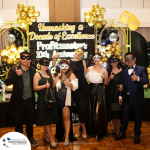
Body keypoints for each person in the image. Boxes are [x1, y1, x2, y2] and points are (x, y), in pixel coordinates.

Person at [52, 47, 90, 138]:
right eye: (77, 52)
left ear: (82, 54)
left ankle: (81, 127)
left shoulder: (83, 62)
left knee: (83, 108)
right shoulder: (68, 62)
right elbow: (54, 66)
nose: (78, 54)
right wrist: (54, 58)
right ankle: (75, 128)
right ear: (74, 51)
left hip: (83, 88)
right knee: (74, 109)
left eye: (81, 53)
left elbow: (85, 74)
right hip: (71, 87)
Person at [5, 51, 38, 146]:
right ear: (20, 59)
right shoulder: (14, 69)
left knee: (30, 121)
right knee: (18, 122)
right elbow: (7, 82)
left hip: (30, 100)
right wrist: (16, 74)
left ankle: (30, 137)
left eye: (28, 57)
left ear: (30, 60)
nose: (25, 59)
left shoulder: (33, 71)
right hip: (18, 101)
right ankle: (19, 140)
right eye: (23, 57)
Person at [115, 52, 149, 144]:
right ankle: (123, 133)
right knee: (124, 117)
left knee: (138, 118)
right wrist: (120, 96)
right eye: (127, 59)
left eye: (131, 58)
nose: (129, 61)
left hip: (137, 99)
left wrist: (138, 78)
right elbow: (121, 84)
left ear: (135, 59)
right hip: (126, 99)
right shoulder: (124, 72)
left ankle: (137, 135)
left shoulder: (142, 69)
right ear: (125, 61)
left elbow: (146, 80)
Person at [33, 57, 59, 148]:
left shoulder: (49, 73)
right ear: (40, 64)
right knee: (47, 119)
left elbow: (52, 86)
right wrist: (44, 86)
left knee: (48, 118)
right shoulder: (37, 74)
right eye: (44, 64)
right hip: (42, 99)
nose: (45, 65)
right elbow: (35, 88)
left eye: (47, 64)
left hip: (50, 98)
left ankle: (45, 135)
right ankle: (51, 138)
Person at [53, 59, 78, 146]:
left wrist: (69, 84)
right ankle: (63, 134)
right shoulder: (57, 75)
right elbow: (52, 86)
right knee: (61, 119)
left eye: (66, 66)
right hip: (57, 100)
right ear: (59, 66)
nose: (64, 68)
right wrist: (57, 77)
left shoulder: (71, 75)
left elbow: (75, 87)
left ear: (68, 67)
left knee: (66, 118)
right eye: (62, 66)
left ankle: (67, 137)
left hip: (67, 100)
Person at [85, 53, 109, 141]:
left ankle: (99, 132)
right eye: (94, 58)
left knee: (97, 112)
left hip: (100, 90)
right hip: (91, 90)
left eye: (98, 58)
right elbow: (84, 79)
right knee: (91, 111)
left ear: (100, 59)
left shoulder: (104, 70)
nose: (96, 59)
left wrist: (105, 77)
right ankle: (93, 131)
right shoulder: (89, 68)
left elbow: (106, 83)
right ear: (93, 59)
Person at [105, 55, 123, 139]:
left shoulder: (122, 70)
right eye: (112, 61)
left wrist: (123, 85)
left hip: (118, 92)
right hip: (109, 92)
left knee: (117, 112)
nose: (114, 62)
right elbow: (106, 84)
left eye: (115, 60)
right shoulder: (108, 71)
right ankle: (115, 127)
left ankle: (119, 129)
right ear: (110, 63)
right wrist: (109, 78)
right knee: (112, 112)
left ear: (118, 61)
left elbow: (126, 81)